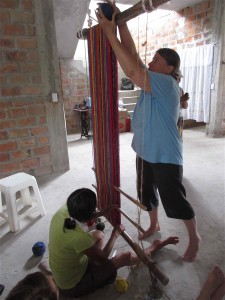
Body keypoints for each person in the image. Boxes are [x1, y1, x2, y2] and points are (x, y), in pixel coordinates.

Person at [96, 0, 201, 262]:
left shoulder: (165, 83)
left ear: (170, 68)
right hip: (144, 150)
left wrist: (109, 31)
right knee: (146, 193)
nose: (151, 61)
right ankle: (154, 224)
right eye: (152, 58)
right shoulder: (154, 79)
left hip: (165, 155)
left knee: (174, 200)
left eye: (157, 59)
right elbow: (132, 57)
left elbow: (131, 68)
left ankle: (195, 238)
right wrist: (121, 24)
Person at [48, 188, 179, 298]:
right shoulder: (79, 237)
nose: (96, 211)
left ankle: (96, 265)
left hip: (69, 267)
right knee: (125, 256)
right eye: (94, 210)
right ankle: (156, 245)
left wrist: (101, 212)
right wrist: (115, 234)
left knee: (99, 235)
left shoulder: (63, 211)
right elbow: (103, 258)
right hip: (73, 285)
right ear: (87, 216)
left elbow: (83, 218)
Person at [176, 70, 189, 139]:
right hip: (170, 117)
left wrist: (185, 101)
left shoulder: (180, 90)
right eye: (178, 78)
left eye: (179, 79)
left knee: (178, 137)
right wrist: (180, 100)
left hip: (178, 116)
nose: (179, 80)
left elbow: (185, 106)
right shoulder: (167, 89)